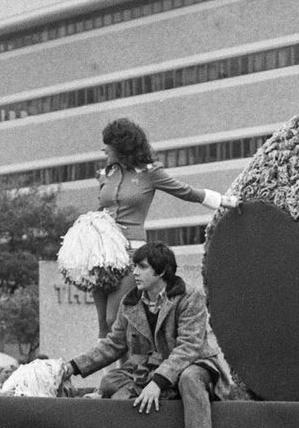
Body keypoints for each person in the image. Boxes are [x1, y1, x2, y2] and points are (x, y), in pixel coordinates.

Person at [62, 242, 231, 428]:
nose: (135, 273)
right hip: (150, 370)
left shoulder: (189, 296)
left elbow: (189, 346)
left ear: (161, 272)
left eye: (142, 267)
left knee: (189, 378)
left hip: (194, 364)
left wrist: (158, 383)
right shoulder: (130, 303)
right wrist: (72, 367)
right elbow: (113, 344)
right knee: (112, 381)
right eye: (135, 267)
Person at [89, 118, 239, 337]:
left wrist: (223, 201)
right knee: (103, 325)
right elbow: (102, 209)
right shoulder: (106, 174)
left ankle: (132, 369)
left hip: (130, 253)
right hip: (102, 256)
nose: (104, 148)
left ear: (121, 146)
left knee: (115, 319)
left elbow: (186, 191)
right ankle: (114, 372)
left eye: (108, 144)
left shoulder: (149, 173)